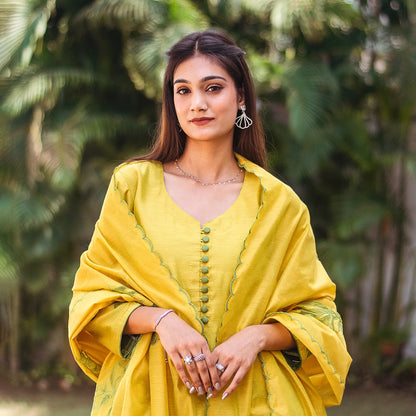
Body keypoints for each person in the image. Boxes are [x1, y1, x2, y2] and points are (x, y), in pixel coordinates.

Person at [68, 30, 351, 415]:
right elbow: (92, 300)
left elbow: (318, 315)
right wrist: (163, 322)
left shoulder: (279, 204)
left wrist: (256, 336)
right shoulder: (131, 187)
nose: (197, 103)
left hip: (257, 398)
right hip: (150, 397)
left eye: (213, 88)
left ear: (241, 98)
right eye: (183, 91)